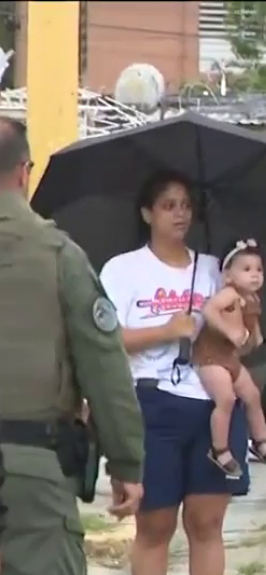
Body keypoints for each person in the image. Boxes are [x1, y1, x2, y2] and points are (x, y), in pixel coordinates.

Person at [0, 117, 144, 575]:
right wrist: (126, 462)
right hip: (30, 470)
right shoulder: (60, 256)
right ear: (24, 171)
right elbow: (104, 367)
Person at [99, 173, 250, 575]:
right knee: (155, 524)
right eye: (168, 205)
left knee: (206, 523)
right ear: (148, 213)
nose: (180, 213)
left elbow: (240, 339)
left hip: (213, 404)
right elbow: (105, 341)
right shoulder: (123, 269)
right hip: (152, 404)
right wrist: (165, 331)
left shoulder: (215, 269)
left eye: (185, 204)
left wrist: (243, 331)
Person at [193, 238, 266, 478]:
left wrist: (255, 338)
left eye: (259, 270)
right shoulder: (228, 294)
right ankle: (219, 449)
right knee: (226, 398)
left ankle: (261, 441)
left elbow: (252, 328)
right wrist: (229, 330)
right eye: (246, 269)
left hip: (231, 358)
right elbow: (209, 310)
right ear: (228, 275)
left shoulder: (253, 301)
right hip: (210, 356)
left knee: (252, 394)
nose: (255, 275)